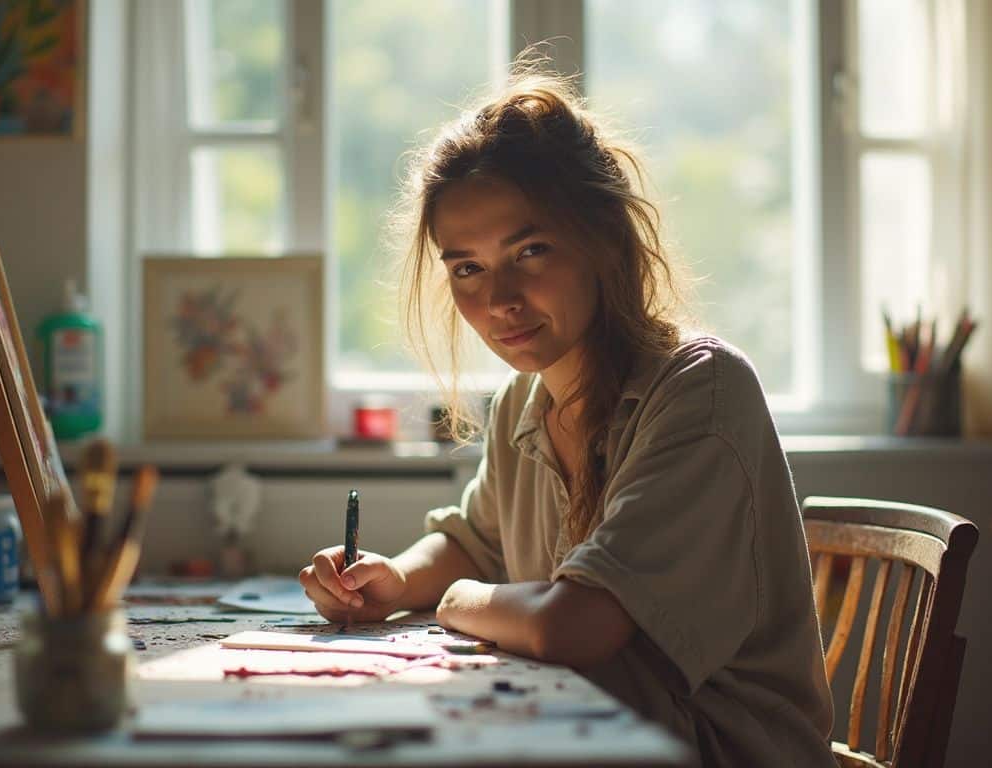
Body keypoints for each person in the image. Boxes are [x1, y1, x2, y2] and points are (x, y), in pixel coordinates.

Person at [299, 67, 835, 767]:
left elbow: (571, 627)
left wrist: (456, 600)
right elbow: (476, 542)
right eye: (467, 269)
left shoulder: (699, 391)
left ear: (602, 238)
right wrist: (393, 581)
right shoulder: (522, 403)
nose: (500, 299)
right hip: (576, 730)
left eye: (531, 251)